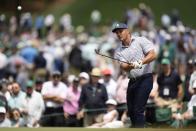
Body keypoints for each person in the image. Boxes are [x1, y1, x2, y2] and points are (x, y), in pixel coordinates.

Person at [112, 22, 156, 127]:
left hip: (145, 78)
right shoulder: (118, 51)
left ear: (128, 31)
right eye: (116, 32)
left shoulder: (140, 40)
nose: (118, 34)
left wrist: (141, 62)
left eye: (120, 31)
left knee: (138, 109)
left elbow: (152, 54)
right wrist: (132, 65)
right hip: (132, 81)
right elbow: (124, 66)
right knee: (131, 111)